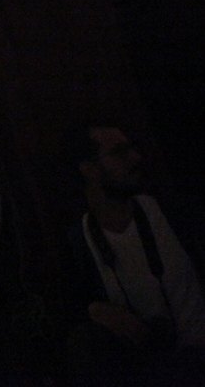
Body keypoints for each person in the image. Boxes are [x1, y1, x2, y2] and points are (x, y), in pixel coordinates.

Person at [61, 121, 205, 385]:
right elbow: (69, 309)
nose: (136, 158)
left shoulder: (171, 211)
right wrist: (96, 311)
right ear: (89, 169)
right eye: (119, 152)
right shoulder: (80, 243)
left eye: (131, 148)